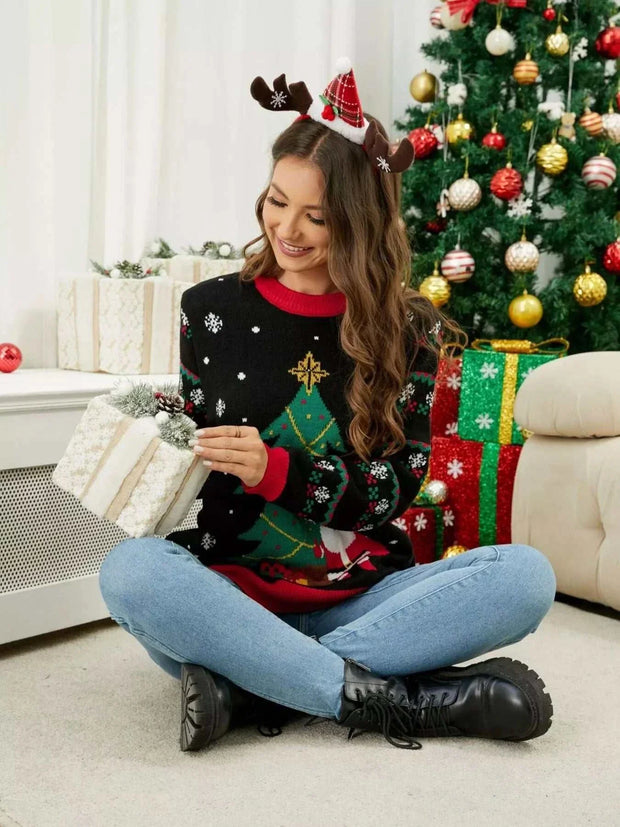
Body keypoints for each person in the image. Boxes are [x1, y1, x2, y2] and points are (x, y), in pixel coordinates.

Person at [99, 59, 556, 752]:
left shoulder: (409, 331)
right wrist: (151, 432)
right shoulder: (209, 309)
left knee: (527, 578)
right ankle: (391, 696)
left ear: (361, 221)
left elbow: (394, 488)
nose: (287, 227)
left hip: (366, 592)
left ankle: (251, 685)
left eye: (316, 215)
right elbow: (192, 446)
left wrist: (274, 470)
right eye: (276, 200)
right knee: (129, 572)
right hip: (234, 599)